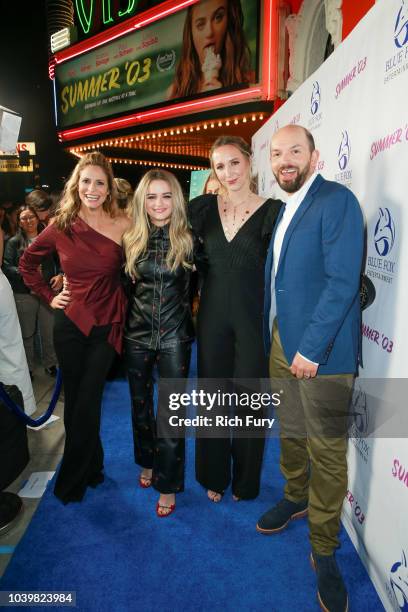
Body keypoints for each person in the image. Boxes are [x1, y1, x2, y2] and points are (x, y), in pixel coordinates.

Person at [256, 125, 364, 612]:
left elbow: (343, 282)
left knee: (328, 452)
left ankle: (324, 548)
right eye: (277, 153)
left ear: (314, 157)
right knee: (292, 429)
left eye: (294, 151)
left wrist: (312, 348)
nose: (285, 160)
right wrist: (281, 341)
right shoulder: (284, 210)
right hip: (283, 343)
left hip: (322, 353)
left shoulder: (336, 201)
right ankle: (294, 494)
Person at [19, 152, 131, 505]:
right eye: (86, 181)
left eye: (100, 182)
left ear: (109, 187)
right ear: (76, 185)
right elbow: (27, 263)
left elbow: (138, 268)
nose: (92, 189)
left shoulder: (124, 223)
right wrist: (47, 296)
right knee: (79, 399)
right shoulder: (61, 224)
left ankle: (71, 477)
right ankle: (93, 466)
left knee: (88, 399)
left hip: (107, 323)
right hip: (69, 324)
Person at [189, 135, 282, 502]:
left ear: (249, 161)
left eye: (234, 163)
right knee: (212, 398)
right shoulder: (201, 210)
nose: (228, 173)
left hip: (251, 319)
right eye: (220, 166)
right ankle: (214, 474)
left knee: (250, 402)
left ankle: (245, 481)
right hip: (210, 318)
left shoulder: (273, 211)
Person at [123, 169, 194, 517]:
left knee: (172, 413)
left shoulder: (190, 238)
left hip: (175, 336)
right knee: (140, 406)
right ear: (142, 201)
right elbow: (122, 289)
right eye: (151, 196)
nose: (159, 203)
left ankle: (168, 485)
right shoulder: (131, 237)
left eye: (166, 196)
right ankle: (147, 462)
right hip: (136, 335)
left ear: (176, 199)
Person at [2, 205, 59, 377]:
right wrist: (28, 274)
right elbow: (6, 266)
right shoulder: (13, 242)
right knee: (27, 333)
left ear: (37, 218)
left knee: (49, 331)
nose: (28, 221)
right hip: (24, 293)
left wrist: (61, 275)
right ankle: (28, 367)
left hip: (47, 292)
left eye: (31, 217)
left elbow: (62, 259)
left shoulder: (49, 238)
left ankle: (51, 364)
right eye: (24, 218)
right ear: (19, 222)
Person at [168, 0, 252, 99]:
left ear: (230, 22)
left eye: (218, 17)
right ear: (191, 34)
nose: (209, 32)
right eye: (200, 24)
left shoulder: (250, 82)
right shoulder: (175, 92)